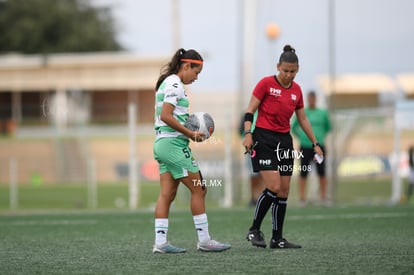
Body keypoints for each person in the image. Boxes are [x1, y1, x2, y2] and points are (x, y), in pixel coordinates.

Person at [242, 45, 324, 249]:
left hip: (285, 141)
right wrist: (248, 134)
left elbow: (302, 118)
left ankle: (277, 238)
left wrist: (315, 143)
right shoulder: (265, 84)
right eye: (285, 70)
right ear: (278, 66)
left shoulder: (297, 91)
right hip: (263, 138)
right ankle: (254, 230)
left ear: (297, 70)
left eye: (293, 71)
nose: (288, 75)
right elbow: (250, 110)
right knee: (274, 186)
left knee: (284, 191)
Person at [152, 48, 231, 253]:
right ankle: (204, 241)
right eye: (196, 72)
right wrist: (190, 133)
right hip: (173, 145)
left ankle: (160, 243)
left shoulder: (169, 82)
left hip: (162, 144)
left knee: (167, 194)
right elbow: (166, 116)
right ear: (186, 66)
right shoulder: (175, 84)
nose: (196, 78)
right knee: (199, 188)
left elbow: (169, 115)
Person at [292, 91, 332, 206]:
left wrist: (319, 138)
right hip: (305, 146)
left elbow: (327, 128)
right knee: (303, 172)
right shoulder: (302, 113)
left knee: (322, 172)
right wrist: (303, 137)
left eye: (313, 98)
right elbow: (294, 128)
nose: (311, 100)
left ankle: (323, 197)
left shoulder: (322, 113)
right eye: (309, 98)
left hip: (319, 147)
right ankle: (302, 199)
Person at [239, 112, 265, 206]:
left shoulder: (266, 112)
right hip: (251, 147)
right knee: (252, 173)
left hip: (264, 146)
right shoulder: (249, 113)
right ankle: (253, 197)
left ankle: (262, 198)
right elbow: (241, 130)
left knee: (264, 173)